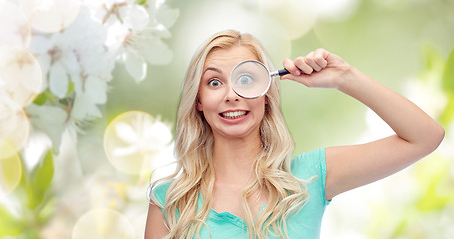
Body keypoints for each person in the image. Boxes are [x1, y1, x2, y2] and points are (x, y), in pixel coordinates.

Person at [144, 30, 444, 239]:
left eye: (246, 79)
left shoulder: (310, 178)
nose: (231, 94)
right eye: (213, 83)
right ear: (198, 101)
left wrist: (343, 77)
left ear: (266, 94)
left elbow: (425, 137)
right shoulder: (169, 201)